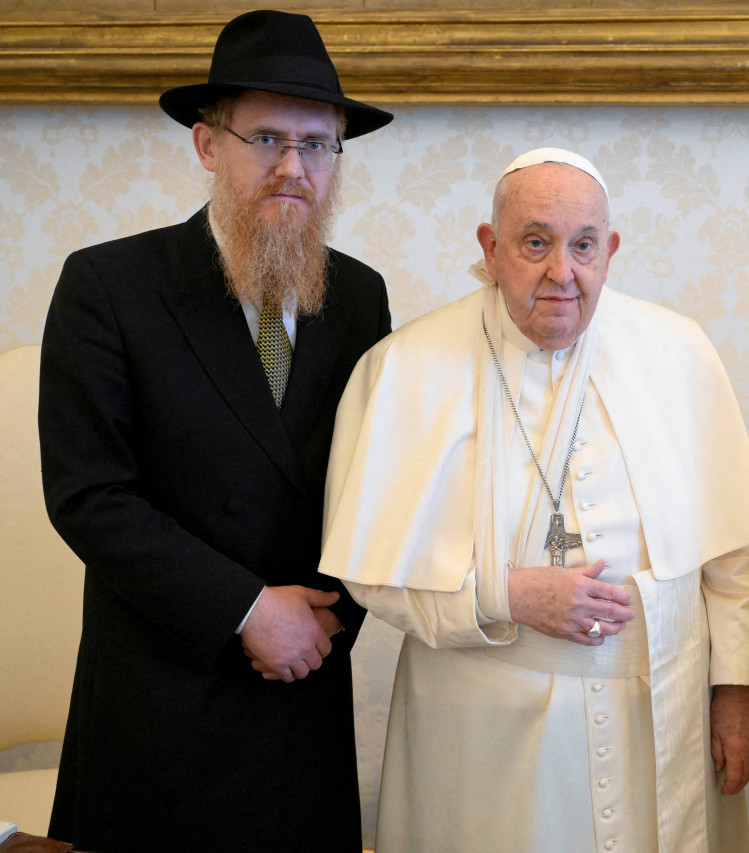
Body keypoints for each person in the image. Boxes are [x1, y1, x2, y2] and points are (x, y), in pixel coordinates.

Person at [319, 147, 749, 852]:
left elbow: (734, 551)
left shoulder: (677, 352)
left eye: (583, 245)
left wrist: (738, 689)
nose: (563, 271)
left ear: (610, 250)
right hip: (483, 728)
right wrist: (507, 595)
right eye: (536, 243)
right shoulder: (408, 364)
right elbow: (373, 569)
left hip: (661, 712)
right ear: (490, 247)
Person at [38, 11, 393, 852]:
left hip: (301, 692)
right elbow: (90, 494)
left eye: (317, 144)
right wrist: (244, 610)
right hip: (164, 701)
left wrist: (325, 620)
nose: (292, 168)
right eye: (265, 137)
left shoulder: (361, 298)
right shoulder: (109, 284)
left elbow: (381, 483)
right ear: (206, 145)